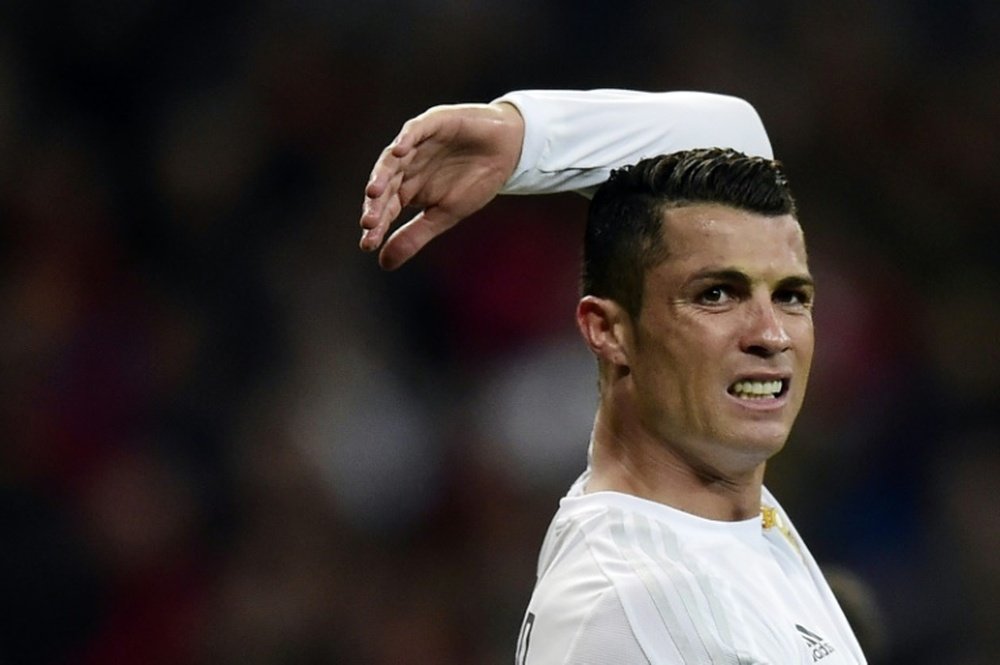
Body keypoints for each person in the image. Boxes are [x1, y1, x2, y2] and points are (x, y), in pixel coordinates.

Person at [359, 90, 867, 664]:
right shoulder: (623, 610)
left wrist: (519, 136)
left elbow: (734, 129)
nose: (770, 335)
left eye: (791, 295)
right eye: (717, 295)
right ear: (607, 330)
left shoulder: (711, 512)